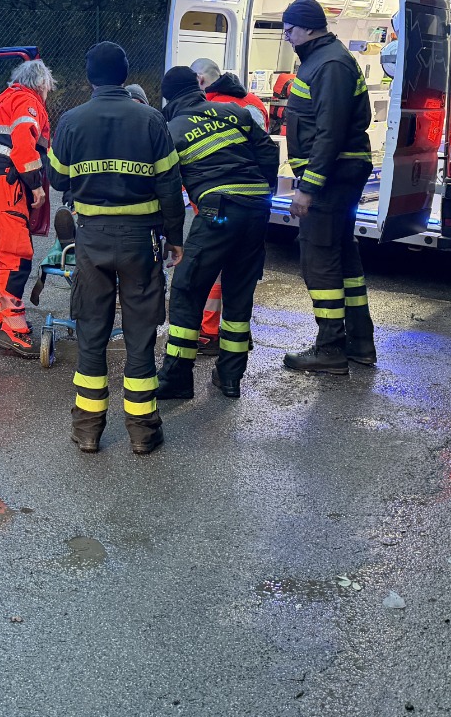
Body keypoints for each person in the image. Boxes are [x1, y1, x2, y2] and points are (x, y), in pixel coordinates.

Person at [48, 42, 185, 454]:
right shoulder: (151, 119)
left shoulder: (71, 120)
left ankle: (87, 430)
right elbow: (169, 187)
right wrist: (175, 237)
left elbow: (56, 179)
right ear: (126, 76)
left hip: (90, 238)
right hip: (141, 241)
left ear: (90, 77)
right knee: (141, 335)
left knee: (91, 331)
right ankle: (143, 433)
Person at [155, 67, 279, 400]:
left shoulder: (172, 130)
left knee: (186, 288)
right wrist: (261, 194)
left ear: (168, 98)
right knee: (239, 293)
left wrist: (173, 238)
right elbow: (268, 152)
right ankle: (230, 378)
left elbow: (167, 190)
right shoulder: (233, 111)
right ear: (197, 87)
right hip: (255, 211)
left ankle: (178, 377)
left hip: (218, 212)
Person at [279, 0, 376, 375]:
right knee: (342, 257)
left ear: (307, 28)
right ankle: (359, 343)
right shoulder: (324, 59)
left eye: (289, 30)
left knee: (319, 258)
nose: (287, 37)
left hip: (332, 179)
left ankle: (331, 349)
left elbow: (329, 133)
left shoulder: (330, 63)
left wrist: (307, 188)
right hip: (339, 177)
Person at [188, 57, 274, 352]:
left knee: (210, 267)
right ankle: (237, 333)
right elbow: (264, 150)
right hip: (254, 200)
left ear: (200, 80)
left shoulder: (208, 104)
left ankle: (209, 330)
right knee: (241, 269)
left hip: (217, 199)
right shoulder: (253, 103)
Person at [0, 59, 55, 358]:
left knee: (0, 255)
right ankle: (14, 329)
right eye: (48, 88)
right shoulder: (27, 100)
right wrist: (35, 185)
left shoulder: (2, 99)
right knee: (17, 256)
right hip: (7, 181)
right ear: (42, 85)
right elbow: (23, 144)